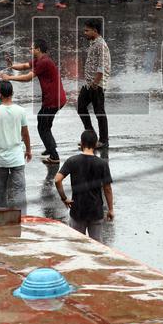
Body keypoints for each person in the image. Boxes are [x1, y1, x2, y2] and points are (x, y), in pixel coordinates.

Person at [2, 38, 67, 165]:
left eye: (32, 48)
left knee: (43, 127)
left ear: (38, 49)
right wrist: (12, 66)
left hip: (52, 100)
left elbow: (28, 78)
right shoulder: (40, 60)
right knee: (44, 124)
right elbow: (26, 66)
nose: (30, 49)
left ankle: (54, 156)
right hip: (56, 98)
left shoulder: (44, 62)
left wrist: (9, 77)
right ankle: (50, 147)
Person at [55, 129, 114, 242]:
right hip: (96, 211)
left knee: (77, 246)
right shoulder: (102, 164)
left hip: (78, 210)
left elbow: (57, 180)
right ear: (96, 144)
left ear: (81, 143)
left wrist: (64, 199)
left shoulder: (72, 161)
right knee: (96, 246)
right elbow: (107, 188)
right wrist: (110, 209)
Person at [0, 81, 31, 212]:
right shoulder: (20, 111)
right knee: (19, 191)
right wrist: (28, 150)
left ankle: (2, 218)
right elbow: (25, 133)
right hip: (17, 158)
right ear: (12, 93)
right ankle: (22, 219)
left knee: (1, 191)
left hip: (0, 159)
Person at [77, 19, 110, 148]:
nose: (84, 32)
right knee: (81, 107)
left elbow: (102, 66)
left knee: (99, 112)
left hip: (97, 84)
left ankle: (103, 140)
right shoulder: (93, 43)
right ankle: (91, 137)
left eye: (87, 30)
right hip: (89, 83)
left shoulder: (101, 45)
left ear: (95, 31)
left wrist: (96, 83)